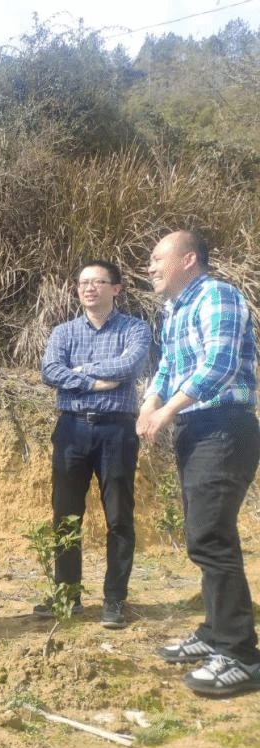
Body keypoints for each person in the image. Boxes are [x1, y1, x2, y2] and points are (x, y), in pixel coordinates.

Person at [137, 230, 260, 696]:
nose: (150, 266)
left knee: (211, 536)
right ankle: (214, 632)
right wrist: (150, 402)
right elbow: (169, 365)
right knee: (202, 534)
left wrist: (168, 410)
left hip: (225, 426)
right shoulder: (175, 309)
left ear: (188, 259)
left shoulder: (217, 296)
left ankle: (240, 654)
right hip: (197, 428)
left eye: (157, 258)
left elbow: (220, 364)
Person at [37, 260, 151, 628]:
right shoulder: (64, 332)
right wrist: (93, 381)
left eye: (98, 281)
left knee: (118, 517)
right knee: (65, 515)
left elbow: (129, 367)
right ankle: (67, 595)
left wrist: (80, 371)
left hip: (116, 431)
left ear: (115, 288)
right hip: (71, 429)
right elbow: (50, 370)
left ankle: (114, 599)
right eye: (83, 282)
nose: (89, 288)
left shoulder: (135, 329)